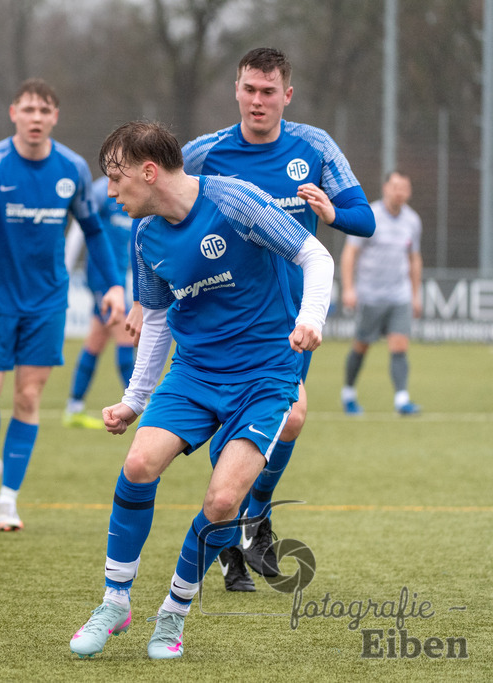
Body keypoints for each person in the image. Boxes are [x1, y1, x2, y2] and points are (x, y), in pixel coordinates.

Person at [69, 120, 333, 660]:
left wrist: (311, 317)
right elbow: (160, 319)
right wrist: (135, 398)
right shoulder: (147, 236)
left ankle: (173, 613)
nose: (111, 193)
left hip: (265, 377)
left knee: (221, 500)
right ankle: (115, 602)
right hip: (194, 375)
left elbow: (316, 255)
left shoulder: (235, 200)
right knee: (139, 464)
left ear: (149, 172)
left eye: (116, 180)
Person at [180, 46, 375, 591]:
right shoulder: (205, 154)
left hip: (290, 320)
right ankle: (237, 530)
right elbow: (151, 201)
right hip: (222, 316)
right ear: (236, 90)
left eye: (269, 91)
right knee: (247, 425)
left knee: (284, 421)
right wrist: (139, 296)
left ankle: (249, 520)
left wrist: (333, 213)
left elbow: (365, 219)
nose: (258, 100)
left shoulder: (313, 148)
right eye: (250, 89)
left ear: (286, 95)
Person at [0, 78, 126, 531]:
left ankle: (9, 501)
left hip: (48, 300)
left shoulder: (72, 168)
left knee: (29, 396)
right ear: (13, 112)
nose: (36, 117)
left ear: (55, 117)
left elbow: (94, 231)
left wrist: (113, 285)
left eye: (44, 110)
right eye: (28, 109)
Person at [340, 171, 423, 415]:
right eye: (395, 186)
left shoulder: (413, 221)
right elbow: (350, 253)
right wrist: (348, 288)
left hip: (400, 295)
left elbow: (414, 258)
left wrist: (416, 294)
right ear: (385, 188)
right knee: (362, 345)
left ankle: (401, 399)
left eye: (404, 187)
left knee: (399, 345)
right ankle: (348, 393)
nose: (399, 192)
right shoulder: (369, 216)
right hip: (370, 295)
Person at [62, 175, 136, 430]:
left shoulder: (136, 190)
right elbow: (80, 230)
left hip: (117, 278)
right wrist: (66, 270)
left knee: (97, 339)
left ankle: (74, 407)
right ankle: (141, 405)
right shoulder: (101, 191)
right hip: (102, 278)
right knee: (126, 336)